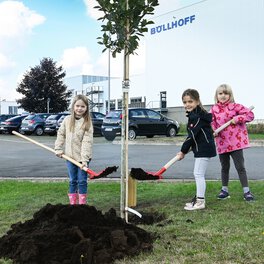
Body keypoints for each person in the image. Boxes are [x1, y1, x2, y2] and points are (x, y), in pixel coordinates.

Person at [210, 84, 254, 201]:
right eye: (220, 93)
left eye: (226, 93)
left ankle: (247, 191)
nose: (223, 96)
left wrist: (238, 119)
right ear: (217, 95)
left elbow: (250, 115)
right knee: (224, 167)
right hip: (222, 143)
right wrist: (214, 130)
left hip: (236, 143)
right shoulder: (214, 109)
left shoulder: (235, 106)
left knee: (240, 167)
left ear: (230, 95)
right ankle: (224, 190)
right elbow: (212, 122)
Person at [177, 89, 216, 210]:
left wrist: (183, 151)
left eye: (190, 101)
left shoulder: (196, 117)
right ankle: (197, 199)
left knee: (198, 174)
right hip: (202, 147)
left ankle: (200, 202)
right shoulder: (196, 115)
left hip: (203, 148)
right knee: (199, 174)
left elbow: (192, 136)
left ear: (197, 101)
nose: (187, 104)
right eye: (185, 102)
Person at [55, 94, 93, 205]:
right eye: (77, 106)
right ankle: (73, 205)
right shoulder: (67, 120)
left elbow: (87, 142)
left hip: (83, 158)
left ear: (86, 108)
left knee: (82, 181)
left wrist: (84, 160)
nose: (79, 108)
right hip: (70, 157)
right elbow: (61, 134)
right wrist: (58, 148)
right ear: (73, 106)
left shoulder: (87, 123)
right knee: (73, 181)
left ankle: (82, 205)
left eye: (82, 106)